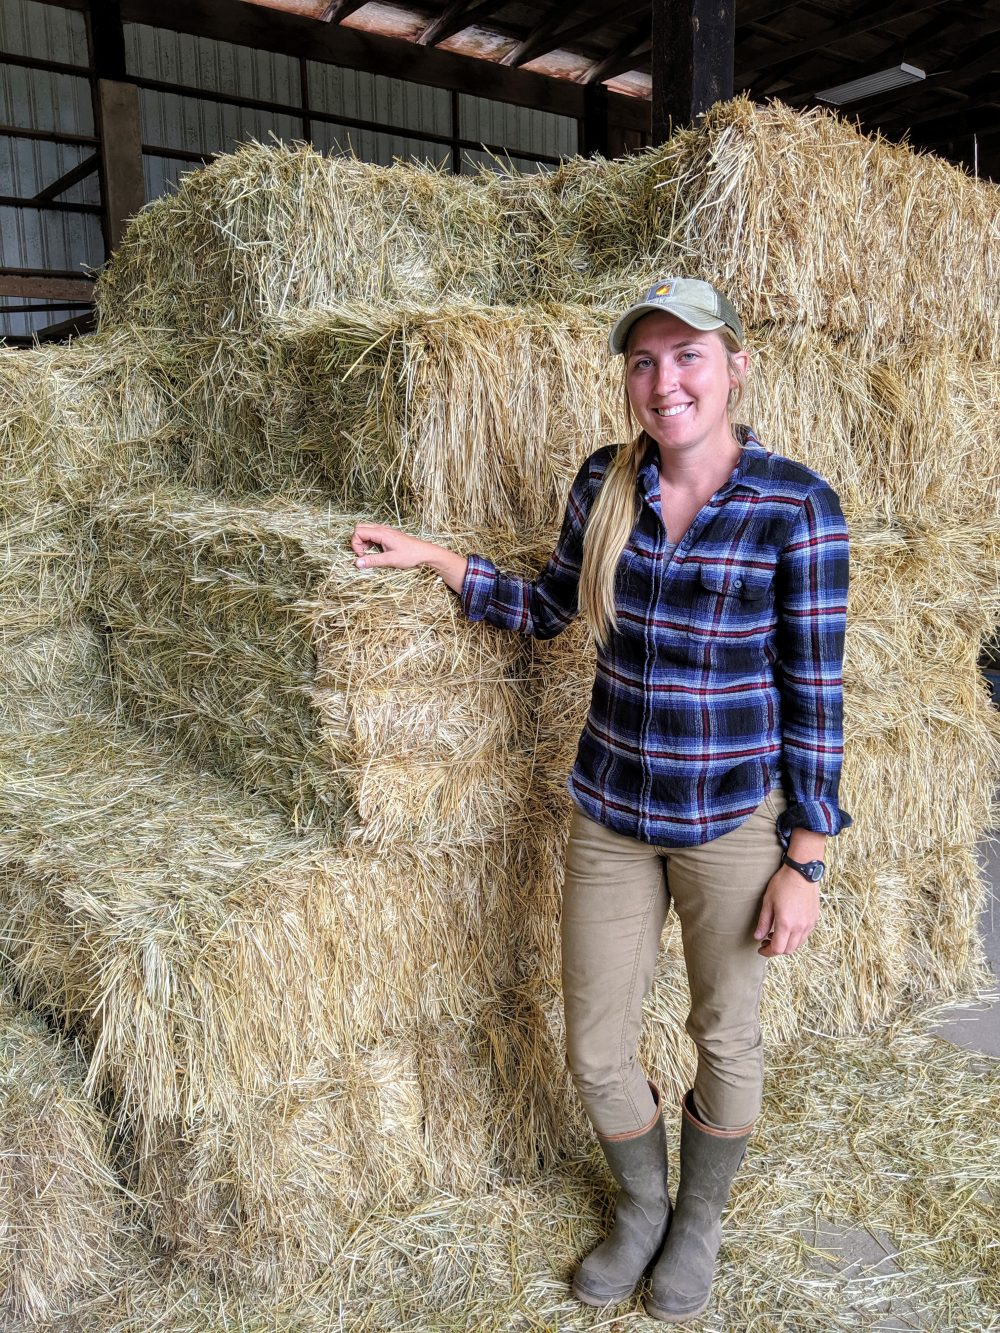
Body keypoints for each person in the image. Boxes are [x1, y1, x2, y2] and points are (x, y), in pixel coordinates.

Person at [350, 276, 851, 1324]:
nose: (663, 380)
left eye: (687, 356)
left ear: (735, 366)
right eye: (642, 360)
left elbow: (816, 696)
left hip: (730, 822)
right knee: (594, 1043)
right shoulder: (604, 481)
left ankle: (697, 1223)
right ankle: (640, 1206)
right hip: (612, 808)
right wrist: (437, 559)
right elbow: (544, 607)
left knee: (726, 1033)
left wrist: (804, 859)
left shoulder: (795, 507)